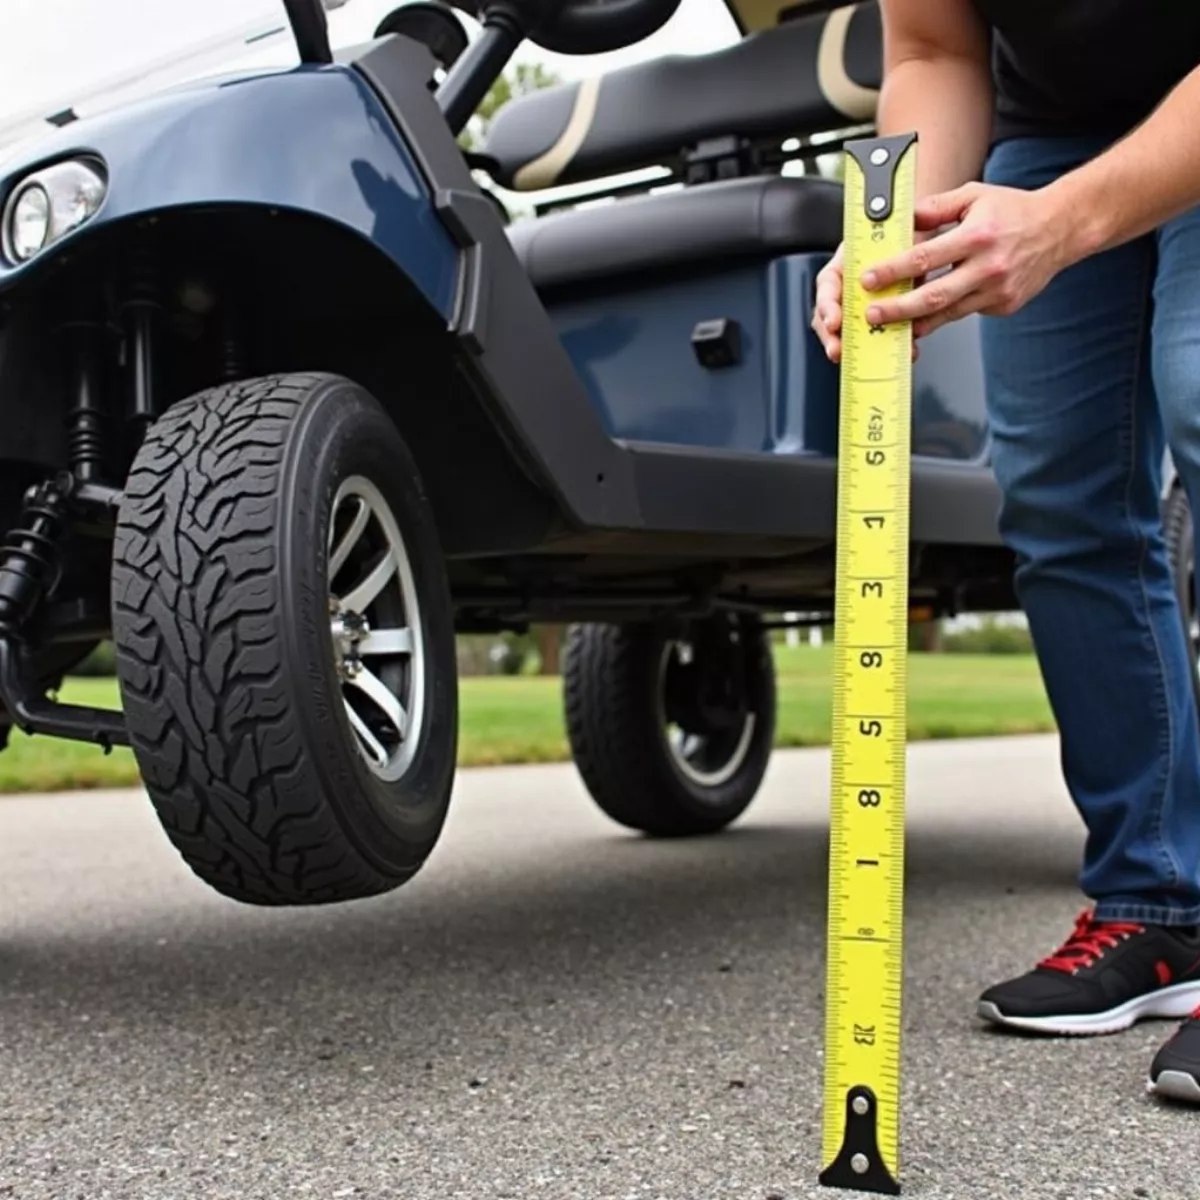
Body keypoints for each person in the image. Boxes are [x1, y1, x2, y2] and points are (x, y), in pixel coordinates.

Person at [811, 0, 1200, 1103]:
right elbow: (933, 51)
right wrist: (882, 234)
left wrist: (1063, 224)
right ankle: (1160, 905)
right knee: (1058, 497)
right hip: (1053, 126)